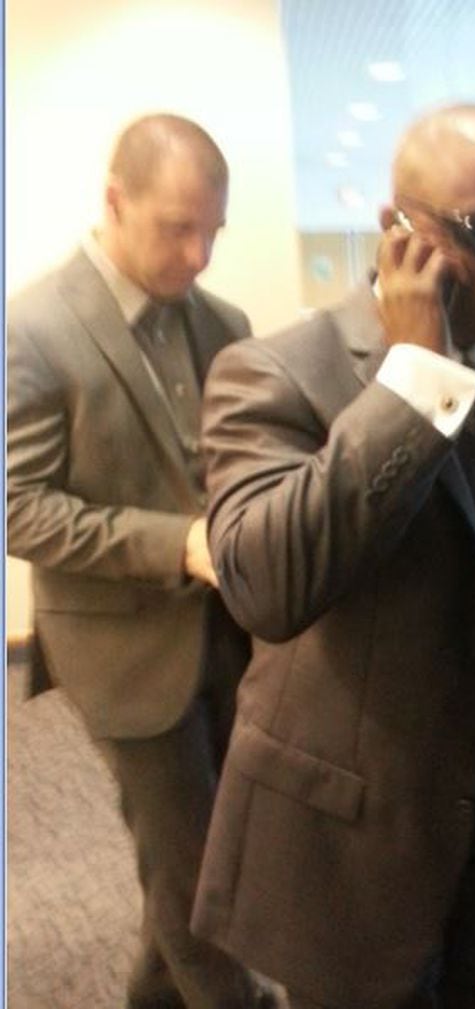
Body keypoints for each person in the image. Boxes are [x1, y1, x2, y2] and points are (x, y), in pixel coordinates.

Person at [190, 103, 475, 1009]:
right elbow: (264, 583)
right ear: (398, 233)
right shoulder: (273, 370)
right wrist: (412, 379)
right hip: (354, 842)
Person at [7, 114, 274, 1009]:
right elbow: (20, 508)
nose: (199, 254)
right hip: (119, 653)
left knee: (199, 849)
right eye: (177, 228)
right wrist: (178, 543)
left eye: (214, 230)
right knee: (201, 874)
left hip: (229, 636)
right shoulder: (36, 327)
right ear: (114, 203)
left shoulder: (224, 321)